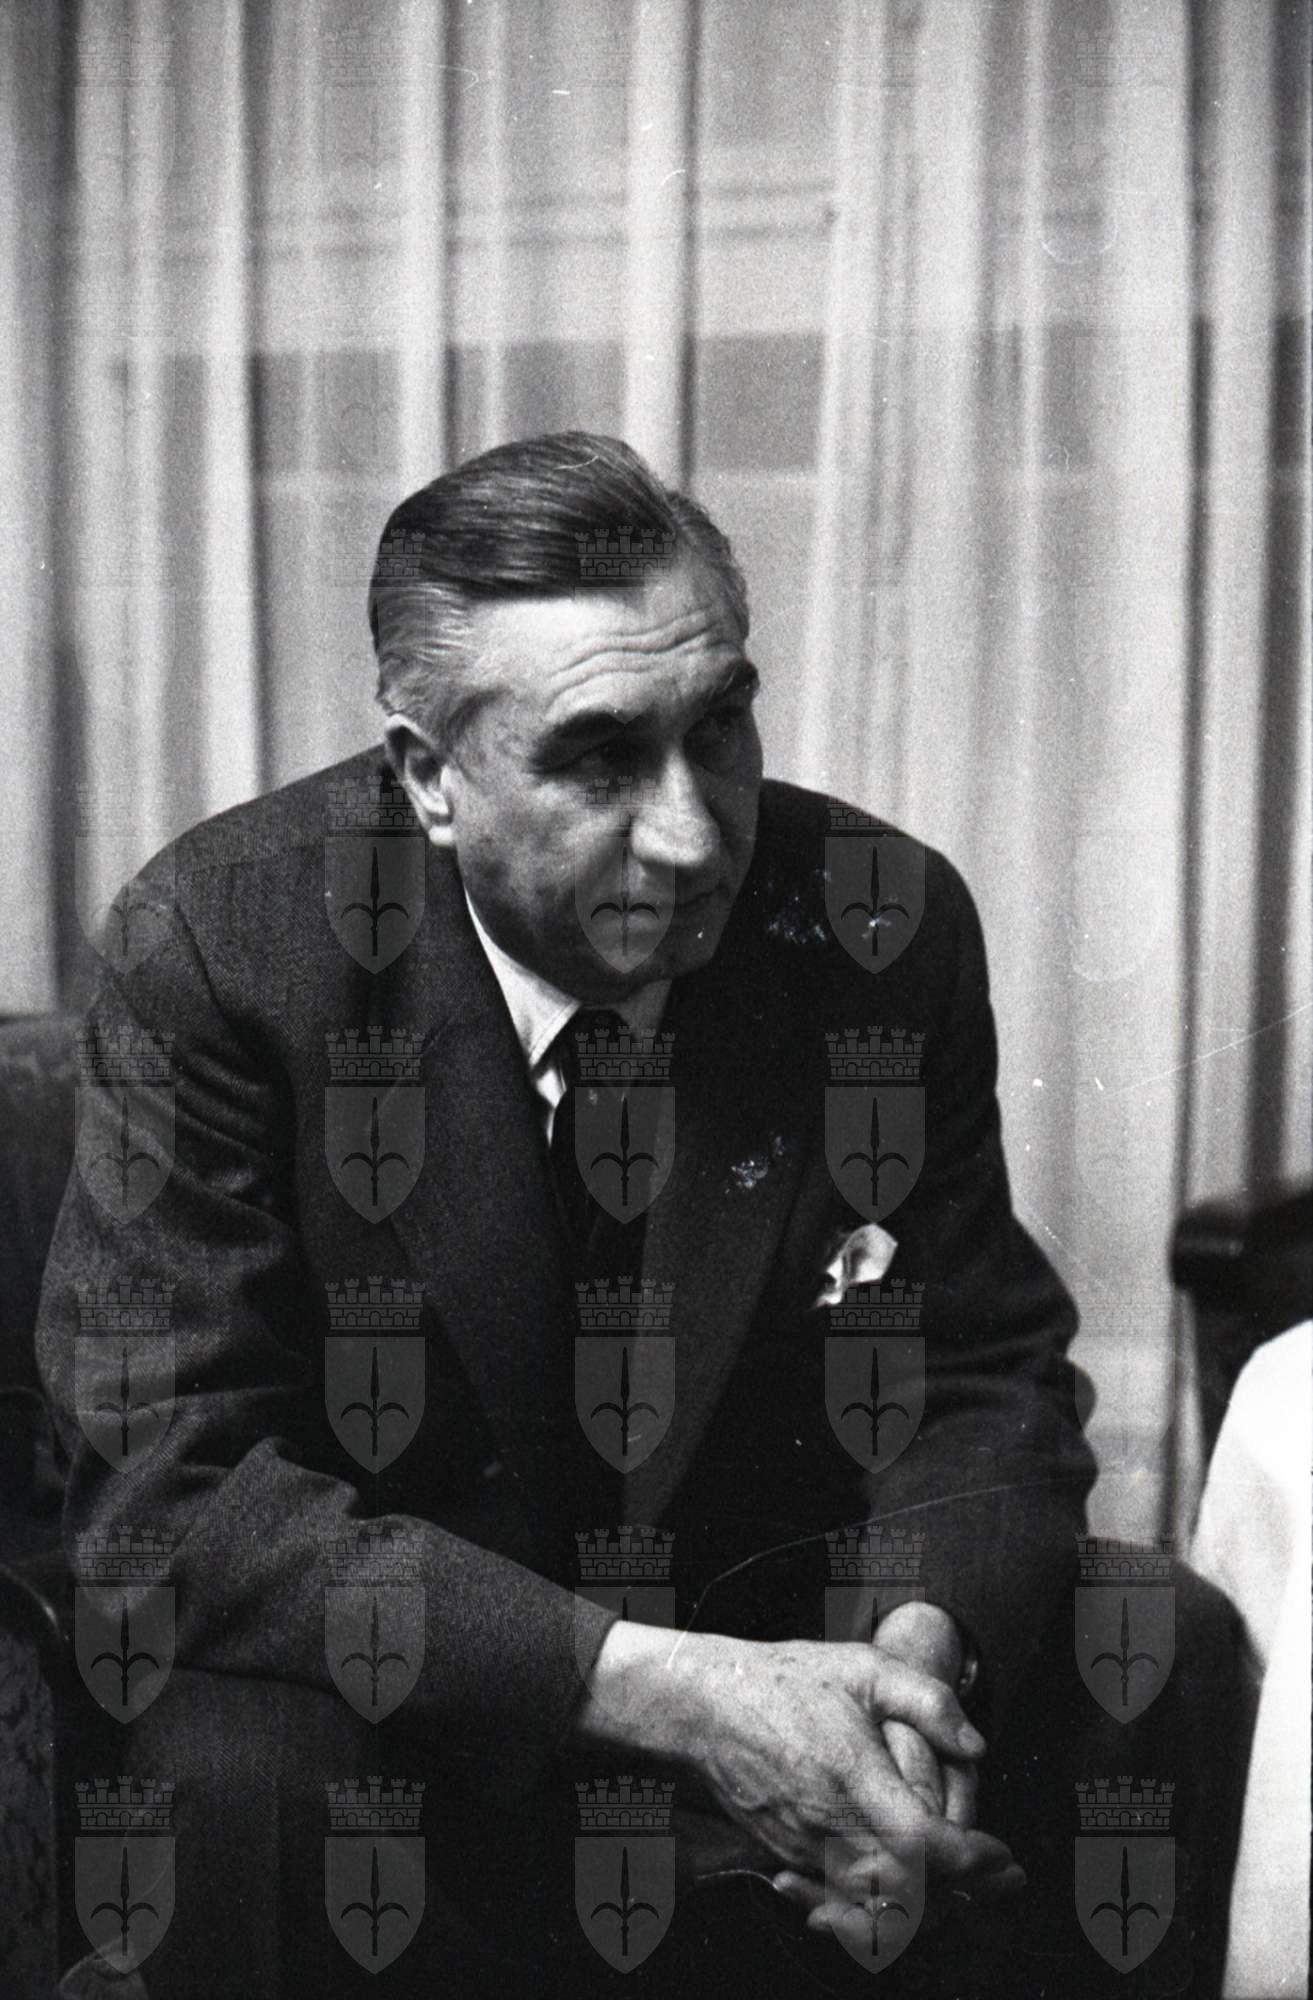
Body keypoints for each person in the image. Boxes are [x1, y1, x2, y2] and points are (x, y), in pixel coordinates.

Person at [38, 433, 1238, 1999]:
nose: (692, 833)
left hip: (796, 1637)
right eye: (600, 761)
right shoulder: (220, 944)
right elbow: (171, 1489)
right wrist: (670, 1693)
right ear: (428, 778)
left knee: (1155, 1639)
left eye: (717, 726)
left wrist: (907, 1675)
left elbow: (974, 1369)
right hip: (431, 1699)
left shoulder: (877, 920)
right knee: (239, 1767)